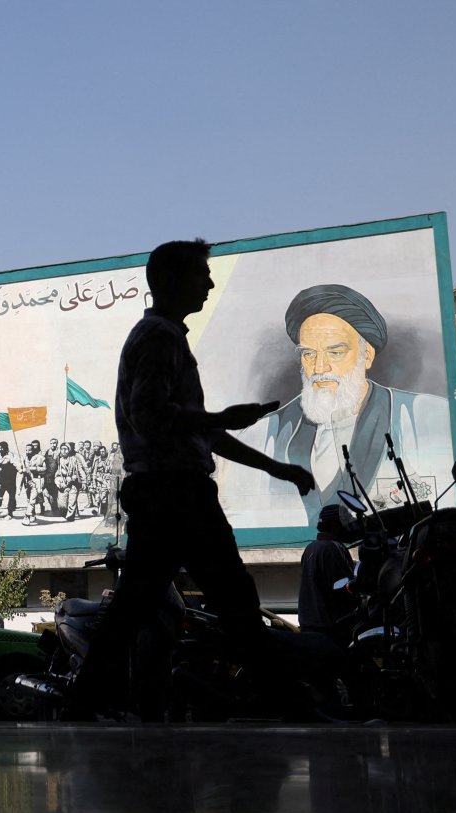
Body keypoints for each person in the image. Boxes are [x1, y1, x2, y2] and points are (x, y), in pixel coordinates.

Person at [68, 239, 315, 716]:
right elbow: (152, 415)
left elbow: (194, 429)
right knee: (234, 602)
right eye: (201, 274)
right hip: (176, 495)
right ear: (173, 280)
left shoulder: (161, 336)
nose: (209, 283)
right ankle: (291, 705)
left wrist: (274, 466)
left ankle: (80, 705)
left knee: (137, 606)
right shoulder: (160, 338)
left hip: (165, 492)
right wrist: (221, 418)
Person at [227, 283, 451, 524]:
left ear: (366, 356)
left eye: (335, 353)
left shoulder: (425, 417)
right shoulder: (262, 436)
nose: (319, 367)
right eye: (309, 354)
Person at [298, 503, 355, 644]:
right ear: (336, 526)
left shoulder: (310, 548)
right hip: (330, 632)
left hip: (310, 628)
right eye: (346, 522)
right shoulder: (332, 548)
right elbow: (344, 589)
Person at [0, 440, 19, 518]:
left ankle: (10, 513)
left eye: (2, 448)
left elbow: (17, 466)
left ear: (5, 448)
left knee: (11, 496)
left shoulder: (11, 456)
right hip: (1, 481)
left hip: (10, 480)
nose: (0, 450)